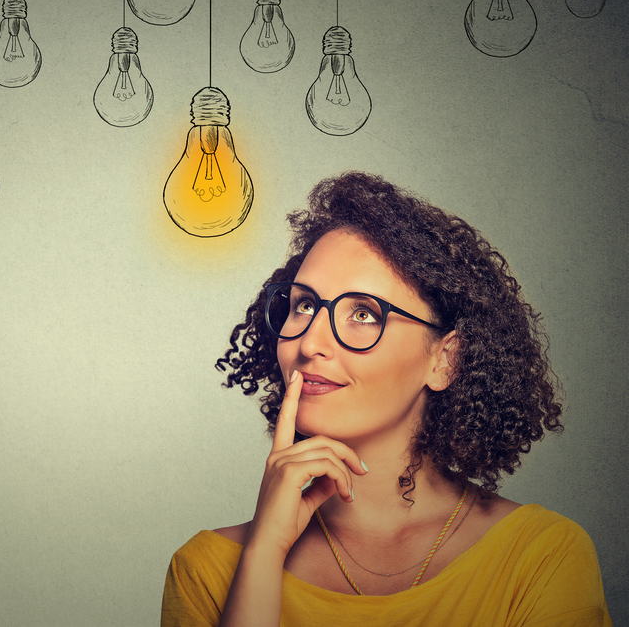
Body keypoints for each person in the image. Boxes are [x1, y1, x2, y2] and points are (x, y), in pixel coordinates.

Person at [160, 172, 611, 626]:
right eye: (303, 305)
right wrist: (263, 553)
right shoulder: (208, 569)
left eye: (362, 313)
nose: (310, 342)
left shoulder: (541, 555)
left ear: (445, 361)